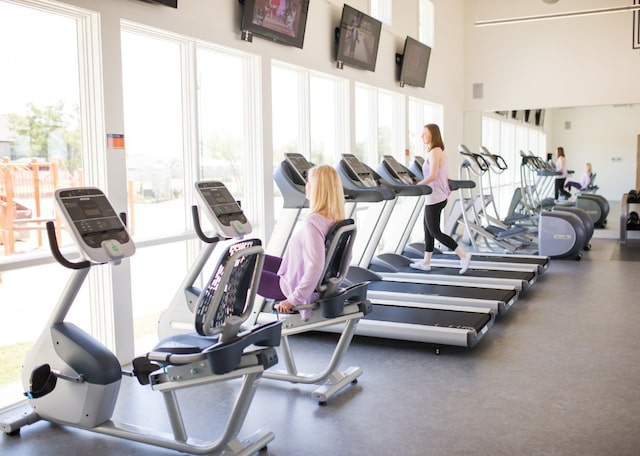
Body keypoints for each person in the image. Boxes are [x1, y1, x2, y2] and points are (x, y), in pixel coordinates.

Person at [257, 164, 346, 318]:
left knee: (238, 271)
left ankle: (224, 320)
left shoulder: (313, 222)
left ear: (318, 189)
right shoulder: (337, 220)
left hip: (292, 287)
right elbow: (345, 260)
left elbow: (316, 266)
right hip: (303, 279)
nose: (306, 186)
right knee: (254, 259)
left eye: (309, 182)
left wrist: (293, 300)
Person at [410, 123, 472, 275]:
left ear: (433, 135)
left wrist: (416, 185)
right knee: (428, 230)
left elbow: (432, 175)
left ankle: (464, 255)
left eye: (424, 134)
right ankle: (426, 262)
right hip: (434, 196)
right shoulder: (437, 151)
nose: (421, 136)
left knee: (435, 232)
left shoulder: (435, 151)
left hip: (435, 197)